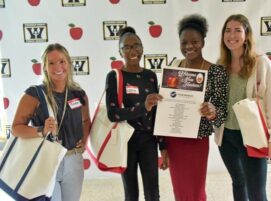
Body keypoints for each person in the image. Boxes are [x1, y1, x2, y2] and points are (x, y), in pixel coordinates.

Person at [216, 14, 271, 201]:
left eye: (238, 30)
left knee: (256, 191)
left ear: (247, 34)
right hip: (226, 136)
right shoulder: (220, 65)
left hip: (253, 137)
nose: (232, 35)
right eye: (228, 30)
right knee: (238, 182)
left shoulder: (261, 63)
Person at [11, 43, 91, 201]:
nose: (57, 67)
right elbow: (15, 129)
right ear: (45, 67)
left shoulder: (78, 93)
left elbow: (86, 120)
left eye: (62, 61)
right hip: (47, 159)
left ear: (68, 63)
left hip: (73, 159)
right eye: (51, 63)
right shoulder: (34, 94)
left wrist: (85, 139)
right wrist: (40, 130)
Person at [166, 14, 228, 201]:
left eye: (194, 42)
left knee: (196, 189)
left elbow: (222, 113)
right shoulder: (174, 67)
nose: (189, 47)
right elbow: (168, 104)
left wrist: (212, 111)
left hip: (197, 140)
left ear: (202, 42)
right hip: (174, 138)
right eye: (184, 42)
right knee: (179, 189)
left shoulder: (216, 72)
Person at [105, 26, 167, 201]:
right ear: (120, 51)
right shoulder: (114, 77)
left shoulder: (150, 76)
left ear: (142, 48)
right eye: (127, 47)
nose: (133, 50)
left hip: (148, 141)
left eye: (137, 45)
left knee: (153, 194)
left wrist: (163, 147)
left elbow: (157, 115)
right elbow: (113, 114)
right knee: (131, 194)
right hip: (126, 142)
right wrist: (143, 107)